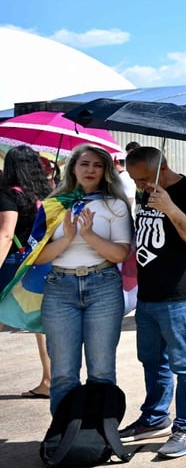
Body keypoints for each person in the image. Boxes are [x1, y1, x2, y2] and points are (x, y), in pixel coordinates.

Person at [120, 146, 186, 459]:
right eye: (135, 180)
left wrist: (170, 208)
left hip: (181, 292)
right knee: (151, 359)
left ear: (162, 167)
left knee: (185, 363)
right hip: (149, 293)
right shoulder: (147, 193)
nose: (139, 185)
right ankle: (155, 416)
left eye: (144, 178)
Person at [37, 145, 132, 414]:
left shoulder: (115, 205)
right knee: (63, 373)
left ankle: (99, 434)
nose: (90, 170)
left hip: (103, 286)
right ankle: (64, 438)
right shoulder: (54, 205)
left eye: (97, 165)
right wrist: (67, 238)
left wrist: (89, 236)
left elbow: (119, 254)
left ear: (106, 171)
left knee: (102, 370)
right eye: (84, 164)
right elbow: (39, 256)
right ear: (73, 168)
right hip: (59, 289)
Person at [0, 145, 57, 399]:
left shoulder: (9, 195)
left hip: (13, 263)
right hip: (41, 264)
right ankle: (49, 380)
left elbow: (6, 233)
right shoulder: (47, 193)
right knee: (38, 322)